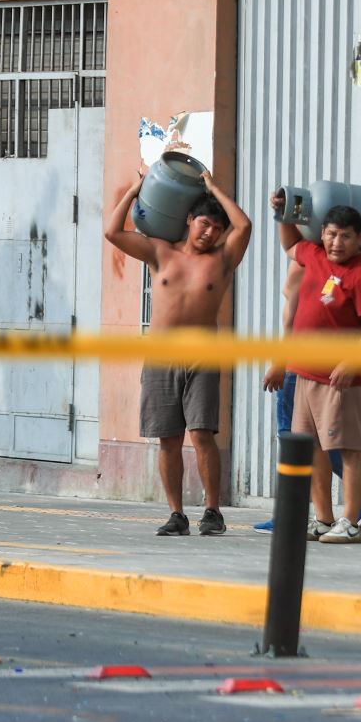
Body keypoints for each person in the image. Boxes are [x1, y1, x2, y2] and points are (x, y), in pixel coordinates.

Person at [105, 166, 253, 536]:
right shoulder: (161, 252)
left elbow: (244, 226)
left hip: (202, 356)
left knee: (202, 435)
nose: (210, 232)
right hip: (161, 357)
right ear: (189, 220)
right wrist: (135, 189)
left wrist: (214, 189)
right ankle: (176, 515)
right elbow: (112, 232)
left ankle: (213, 511)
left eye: (217, 228)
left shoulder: (222, 260)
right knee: (167, 440)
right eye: (204, 223)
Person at [273, 196, 361, 544]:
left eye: (346, 236)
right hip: (303, 373)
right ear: (322, 233)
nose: (337, 243)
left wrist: (351, 362)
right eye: (332, 234)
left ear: (360, 238)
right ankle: (323, 519)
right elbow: (290, 244)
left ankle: (349, 522)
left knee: (347, 448)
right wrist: (283, 211)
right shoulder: (315, 254)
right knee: (311, 449)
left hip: (338, 379)